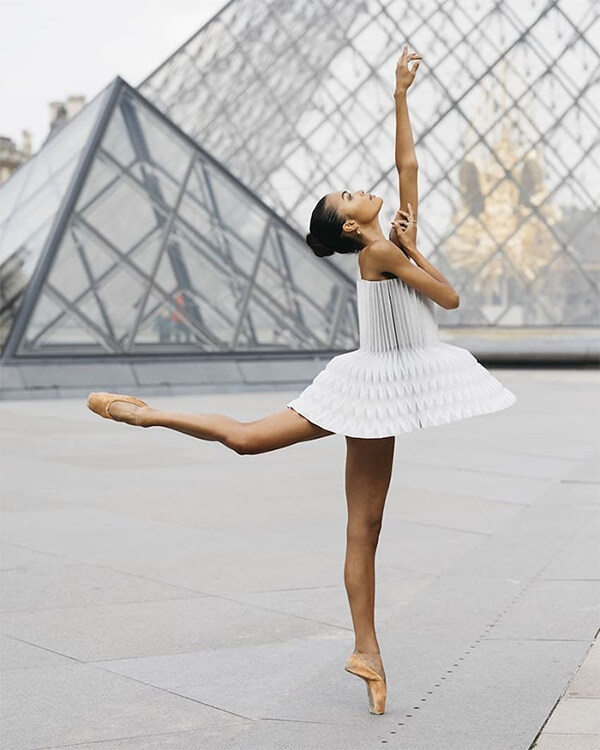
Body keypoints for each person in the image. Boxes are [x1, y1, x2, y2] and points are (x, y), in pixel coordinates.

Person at [87, 46, 517, 716]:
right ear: (351, 225)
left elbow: (409, 166)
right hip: (369, 386)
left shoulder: (388, 236)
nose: (361, 187)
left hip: (386, 385)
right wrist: (410, 243)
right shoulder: (381, 249)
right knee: (255, 444)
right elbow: (451, 298)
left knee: (365, 525)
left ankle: (366, 650)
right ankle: (143, 414)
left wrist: (399, 96)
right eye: (349, 195)